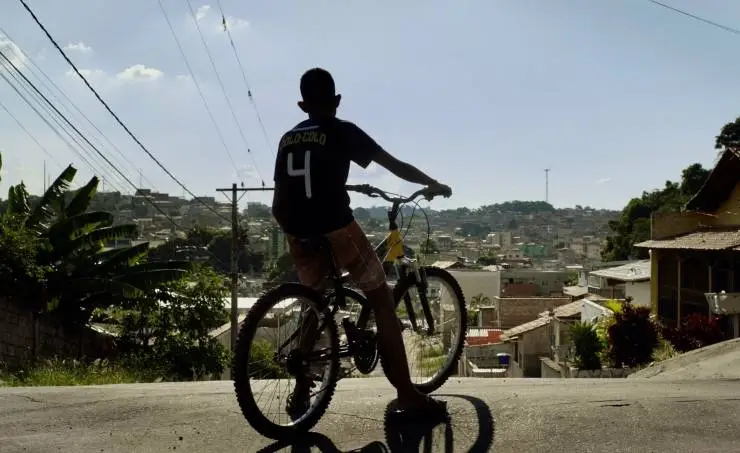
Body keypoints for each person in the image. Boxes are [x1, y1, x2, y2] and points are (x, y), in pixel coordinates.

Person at [271, 67, 452, 419]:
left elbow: (283, 194)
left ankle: (301, 390)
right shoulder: (342, 131)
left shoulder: (287, 139)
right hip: (335, 227)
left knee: (315, 303)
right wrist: (432, 183)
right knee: (382, 301)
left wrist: (295, 230)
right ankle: (407, 395)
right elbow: (394, 165)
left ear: (302, 105)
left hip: (296, 230)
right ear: (337, 100)